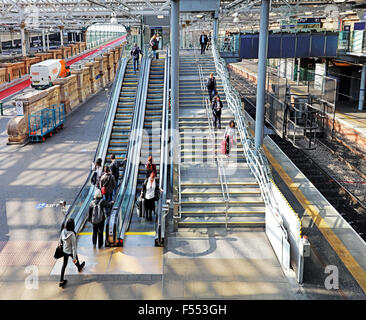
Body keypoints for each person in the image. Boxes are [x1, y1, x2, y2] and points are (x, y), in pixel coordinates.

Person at [59, 218, 85, 288]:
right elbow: (74, 247)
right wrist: (73, 257)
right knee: (76, 260)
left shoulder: (63, 231)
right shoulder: (72, 235)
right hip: (70, 251)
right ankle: (79, 267)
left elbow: (60, 239)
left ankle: (61, 280)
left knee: (64, 265)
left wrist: (60, 245)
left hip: (65, 250)